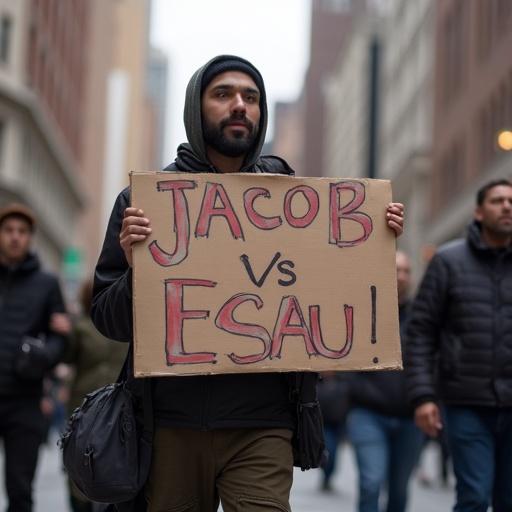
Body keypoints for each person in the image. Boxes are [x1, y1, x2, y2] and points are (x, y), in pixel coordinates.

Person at [91, 55, 405, 512]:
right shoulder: (144, 205)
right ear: (196, 110)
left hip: (263, 424)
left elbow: (335, 290)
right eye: (223, 95)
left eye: (251, 97)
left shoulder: (298, 202)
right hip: (170, 426)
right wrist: (140, 265)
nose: (239, 105)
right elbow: (109, 319)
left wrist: (374, 237)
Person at [406, 178, 512, 512]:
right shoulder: (448, 262)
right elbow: (420, 331)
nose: (507, 207)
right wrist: (423, 396)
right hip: (465, 402)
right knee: (475, 496)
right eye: (497, 201)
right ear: (479, 212)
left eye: (511, 201)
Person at [0, 203, 67, 512]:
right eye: (9, 231)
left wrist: (44, 356)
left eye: (22, 232)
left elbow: (60, 338)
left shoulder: (47, 284)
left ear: (30, 238)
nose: (15, 237)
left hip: (25, 400)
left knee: (20, 490)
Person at [346, 250, 424, 512]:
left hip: (410, 416)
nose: (401, 276)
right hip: (368, 413)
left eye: (406, 271)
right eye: (396, 269)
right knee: (371, 482)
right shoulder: (362, 309)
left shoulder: (422, 317)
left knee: (399, 491)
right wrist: (354, 389)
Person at [65, 279, 128, 512]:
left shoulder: (127, 323)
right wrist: (65, 333)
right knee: (79, 458)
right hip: (83, 404)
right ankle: (80, 503)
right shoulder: (80, 326)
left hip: (119, 404)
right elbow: (66, 357)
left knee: (114, 460)